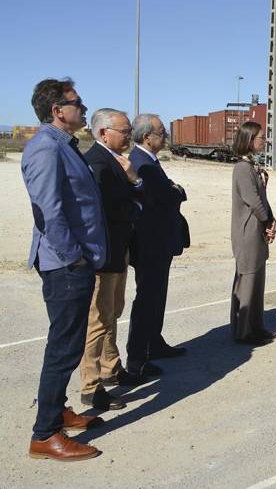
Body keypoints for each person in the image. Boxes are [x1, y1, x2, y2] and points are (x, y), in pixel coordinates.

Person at [22, 77, 105, 461]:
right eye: (78, 102)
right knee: (64, 346)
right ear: (58, 110)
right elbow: (48, 212)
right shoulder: (45, 148)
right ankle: (45, 435)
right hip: (65, 265)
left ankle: (57, 411)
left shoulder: (63, 145)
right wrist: (74, 257)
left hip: (74, 261)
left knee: (67, 344)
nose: (84, 108)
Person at [80, 109, 145, 412]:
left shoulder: (116, 161)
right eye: (124, 130)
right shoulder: (97, 162)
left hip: (118, 251)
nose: (129, 135)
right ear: (105, 132)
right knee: (98, 319)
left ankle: (111, 367)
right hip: (104, 254)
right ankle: (91, 387)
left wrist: (132, 181)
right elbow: (103, 212)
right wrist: (134, 192)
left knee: (112, 312)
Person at [126, 114, 189, 377]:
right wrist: (176, 191)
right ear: (146, 137)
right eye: (161, 133)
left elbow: (168, 193)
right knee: (147, 299)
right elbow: (164, 196)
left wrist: (173, 191)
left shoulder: (149, 160)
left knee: (157, 296)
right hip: (150, 244)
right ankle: (138, 357)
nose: (165, 137)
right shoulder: (141, 163)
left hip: (160, 241)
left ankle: (154, 342)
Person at [231, 121, 276, 344]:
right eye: (261, 137)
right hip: (247, 231)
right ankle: (244, 331)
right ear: (250, 140)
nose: (265, 140)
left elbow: (262, 199)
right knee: (248, 280)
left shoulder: (251, 166)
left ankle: (256, 327)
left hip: (257, 229)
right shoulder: (242, 168)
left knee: (258, 281)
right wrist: (267, 220)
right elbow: (252, 200)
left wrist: (271, 221)